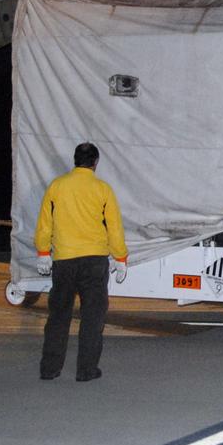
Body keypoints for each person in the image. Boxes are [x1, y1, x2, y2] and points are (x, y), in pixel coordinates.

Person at [34, 142, 128, 382]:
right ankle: (86, 370)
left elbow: (45, 223)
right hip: (94, 260)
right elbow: (114, 227)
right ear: (95, 162)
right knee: (92, 317)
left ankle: (49, 369)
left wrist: (43, 251)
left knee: (58, 316)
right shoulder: (102, 189)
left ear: (75, 160)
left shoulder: (57, 186)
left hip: (64, 259)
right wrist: (120, 257)